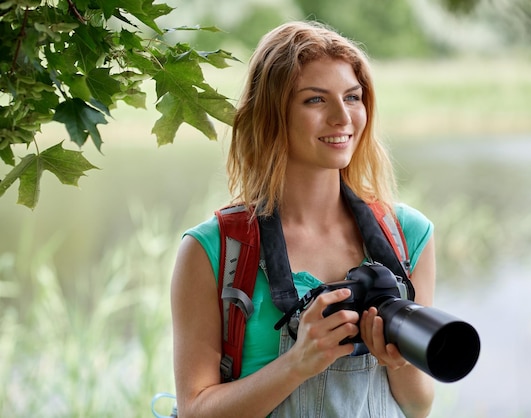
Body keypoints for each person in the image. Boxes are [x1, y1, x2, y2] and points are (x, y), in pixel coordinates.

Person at [170, 21, 436, 418]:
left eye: (352, 97)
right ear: (272, 114)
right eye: (315, 100)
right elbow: (196, 410)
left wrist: (394, 359)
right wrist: (298, 362)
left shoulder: (407, 235)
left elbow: (417, 405)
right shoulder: (214, 249)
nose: (342, 117)